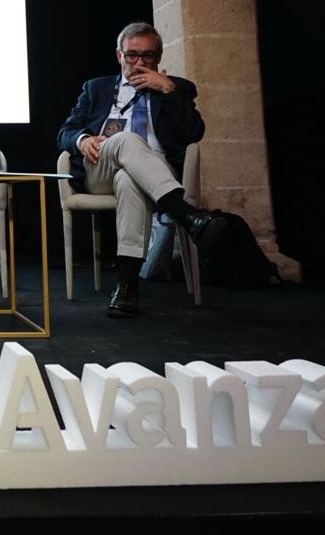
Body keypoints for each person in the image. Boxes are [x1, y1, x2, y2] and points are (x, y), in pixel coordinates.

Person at [57, 21, 216, 319]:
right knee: (127, 140)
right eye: (132, 55)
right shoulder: (97, 88)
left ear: (159, 56)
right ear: (119, 55)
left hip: (154, 172)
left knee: (129, 179)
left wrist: (168, 90)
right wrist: (82, 139)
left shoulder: (177, 87)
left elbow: (194, 134)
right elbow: (65, 131)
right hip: (100, 168)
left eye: (148, 55)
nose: (140, 62)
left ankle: (127, 287)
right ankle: (186, 215)